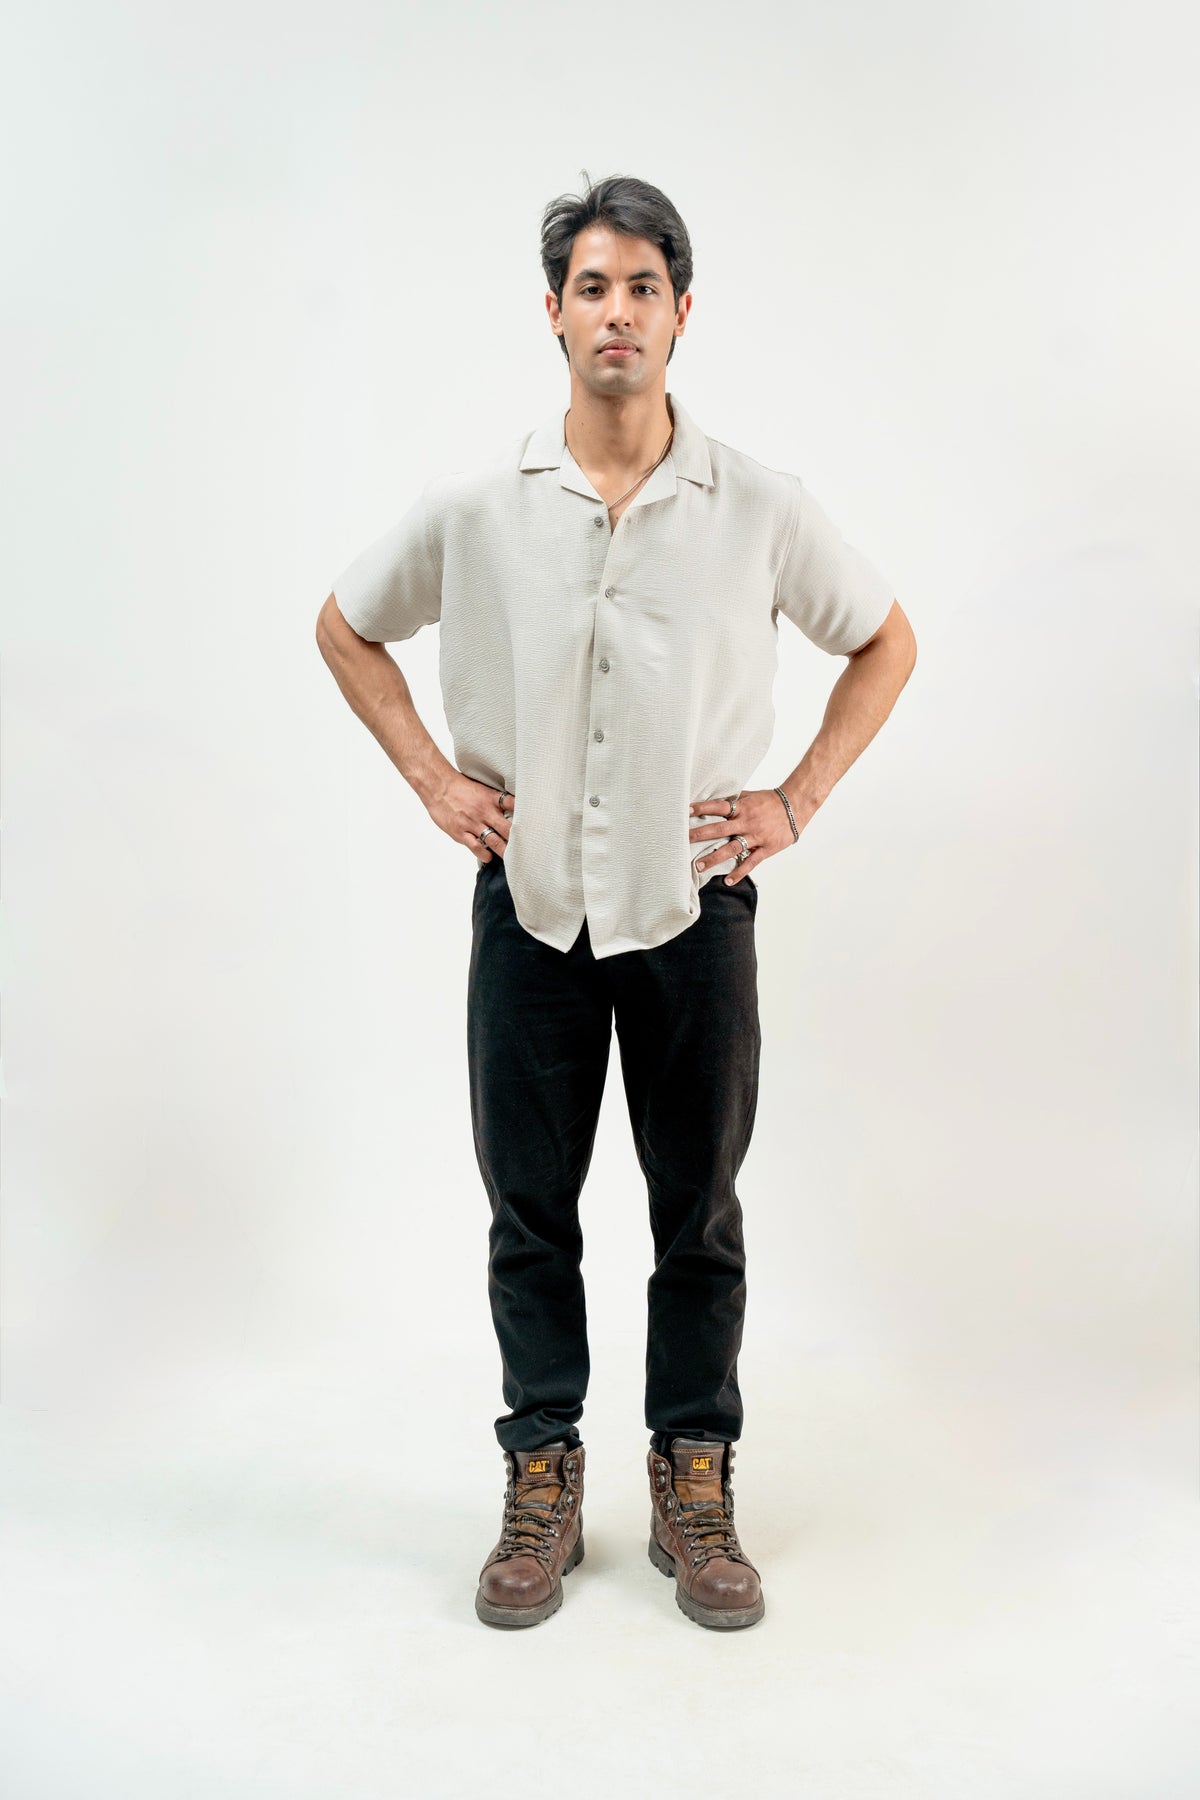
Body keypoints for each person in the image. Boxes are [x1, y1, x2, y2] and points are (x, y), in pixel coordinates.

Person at [316, 172, 917, 1633]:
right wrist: (432, 781)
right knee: (529, 1213)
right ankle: (542, 1471)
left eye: (644, 287)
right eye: (593, 286)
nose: (618, 312)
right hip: (528, 907)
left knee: (696, 1212)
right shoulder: (479, 506)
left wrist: (794, 800)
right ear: (555, 313)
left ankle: (693, 1476)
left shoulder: (758, 504)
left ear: (682, 312)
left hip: (692, 910)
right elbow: (345, 626)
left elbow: (885, 642)